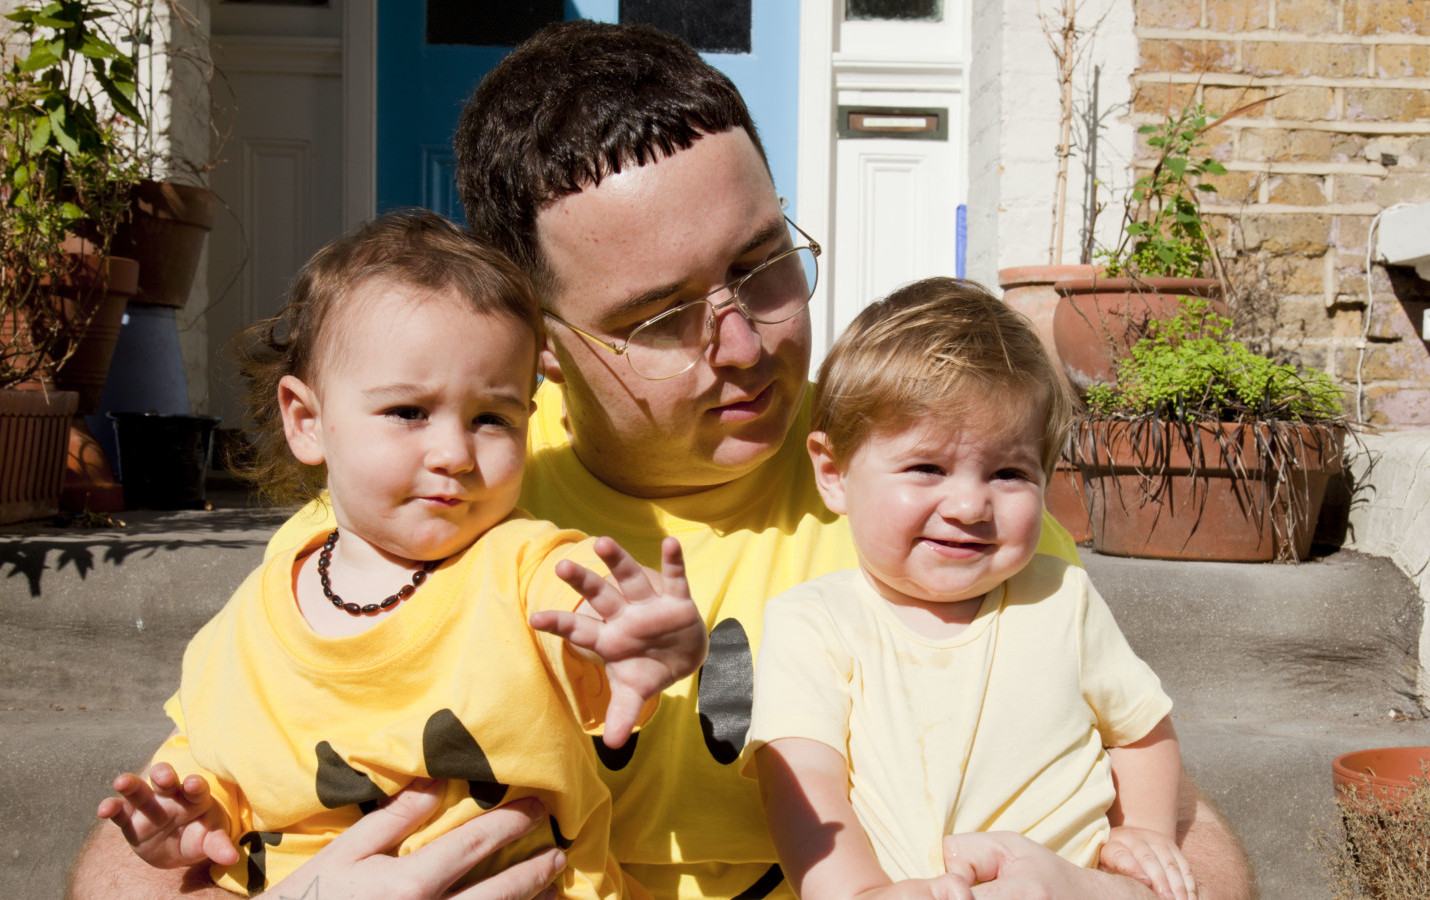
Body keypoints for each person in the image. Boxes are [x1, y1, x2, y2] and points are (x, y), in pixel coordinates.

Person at [67, 20, 1255, 900]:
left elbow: (1187, 836)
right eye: (655, 319)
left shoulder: (931, 498)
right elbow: (135, 854)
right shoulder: (441, 498)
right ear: (538, 346)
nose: (743, 343)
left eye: (763, 262)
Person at [90, 211, 707, 896]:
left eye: (492, 419)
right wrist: (187, 818)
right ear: (306, 421)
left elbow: (586, 612)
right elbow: (215, 770)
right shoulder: (241, 631)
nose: (453, 454)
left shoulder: (524, 565)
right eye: (409, 412)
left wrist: (634, 639)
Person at [745, 279, 1194, 900]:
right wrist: (857, 893)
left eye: (1009, 472)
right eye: (926, 467)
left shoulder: (1061, 596)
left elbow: (1141, 728)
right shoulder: (815, 622)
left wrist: (1144, 829)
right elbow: (803, 781)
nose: (967, 504)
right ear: (834, 474)